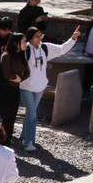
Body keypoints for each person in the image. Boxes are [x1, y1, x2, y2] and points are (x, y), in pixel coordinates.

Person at [19, 23, 82, 152]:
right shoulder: (26, 49)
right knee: (32, 114)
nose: (40, 38)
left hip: (40, 87)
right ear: (30, 38)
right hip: (26, 87)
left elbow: (62, 49)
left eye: (40, 35)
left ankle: (23, 135)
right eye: (37, 36)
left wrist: (73, 38)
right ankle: (28, 141)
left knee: (30, 114)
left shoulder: (45, 48)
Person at [0, 33, 30, 144]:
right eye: (24, 41)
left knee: (12, 119)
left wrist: (19, 78)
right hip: (4, 91)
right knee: (6, 119)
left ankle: (7, 141)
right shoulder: (6, 56)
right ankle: (2, 142)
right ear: (16, 43)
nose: (26, 44)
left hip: (15, 90)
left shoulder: (21, 55)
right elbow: (7, 74)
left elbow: (27, 72)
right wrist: (17, 77)